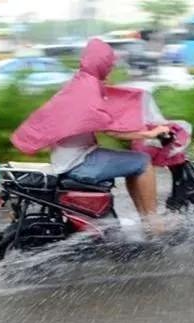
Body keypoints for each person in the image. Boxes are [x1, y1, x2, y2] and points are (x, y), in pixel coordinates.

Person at [12, 38, 168, 234]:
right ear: (101, 63)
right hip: (79, 163)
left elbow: (107, 110)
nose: (110, 68)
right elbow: (109, 128)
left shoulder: (80, 83)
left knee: (133, 164)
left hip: (69, 159)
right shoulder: (88, 89)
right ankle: (154, 223)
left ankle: (146, 220)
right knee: (143, 162)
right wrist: (150, 132)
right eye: (109, 63)